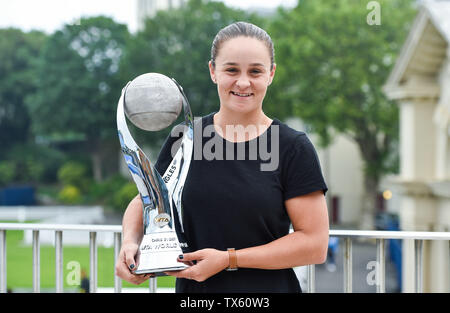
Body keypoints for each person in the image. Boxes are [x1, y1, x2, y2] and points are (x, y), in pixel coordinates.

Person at [115, 21, 329, 293]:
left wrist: (229, 259)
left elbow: (314, 244)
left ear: (271, 74)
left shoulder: (292, 147)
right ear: (213, 71)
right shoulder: (186, 138)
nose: (242, 82)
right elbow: (147, 198)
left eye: (255, 71)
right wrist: (130, 243)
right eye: (231, 70)